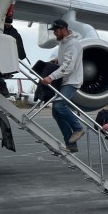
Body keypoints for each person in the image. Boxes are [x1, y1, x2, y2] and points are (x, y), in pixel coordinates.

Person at [40, 19, 85, 152]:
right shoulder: (63, 43)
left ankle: (78, 128)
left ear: (64, 29)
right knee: (56, 112)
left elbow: (69, 66)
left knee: (60, 105)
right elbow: (66, 60)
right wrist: (57, 60)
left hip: (72, 81)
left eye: (56, 30)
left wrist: (51, 76)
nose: (54, 33)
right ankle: (70, 144)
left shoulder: (73, 44)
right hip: (65, 81)